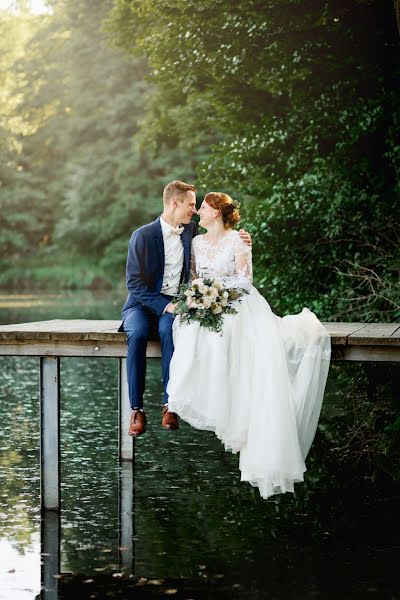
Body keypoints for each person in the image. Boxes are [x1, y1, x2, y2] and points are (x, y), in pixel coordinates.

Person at [167, 192, 331, 500]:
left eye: (202, 207)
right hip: (207, 302)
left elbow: (244, 282)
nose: (198, 210)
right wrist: (200, 294)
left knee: (228, 332)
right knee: (189, 330)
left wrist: (215, 291)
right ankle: (182, 398)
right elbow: (191, 278)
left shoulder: (239, 241)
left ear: (216, 212)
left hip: (238, 303)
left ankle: (230, 407)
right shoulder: (196, 242)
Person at [118, 181, 252, 437]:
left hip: (177, 305)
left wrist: (244, 237)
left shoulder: (191, 232)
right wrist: (165, 305)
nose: (194, 209)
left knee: (172, 331)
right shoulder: (142, 235)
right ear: (174, 203)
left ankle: (171, 404)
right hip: (141, 305)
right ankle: (136, 409)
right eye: (191, 204)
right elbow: (134, 284)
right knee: (137, 334)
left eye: (196, 205)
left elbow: (221, 235)